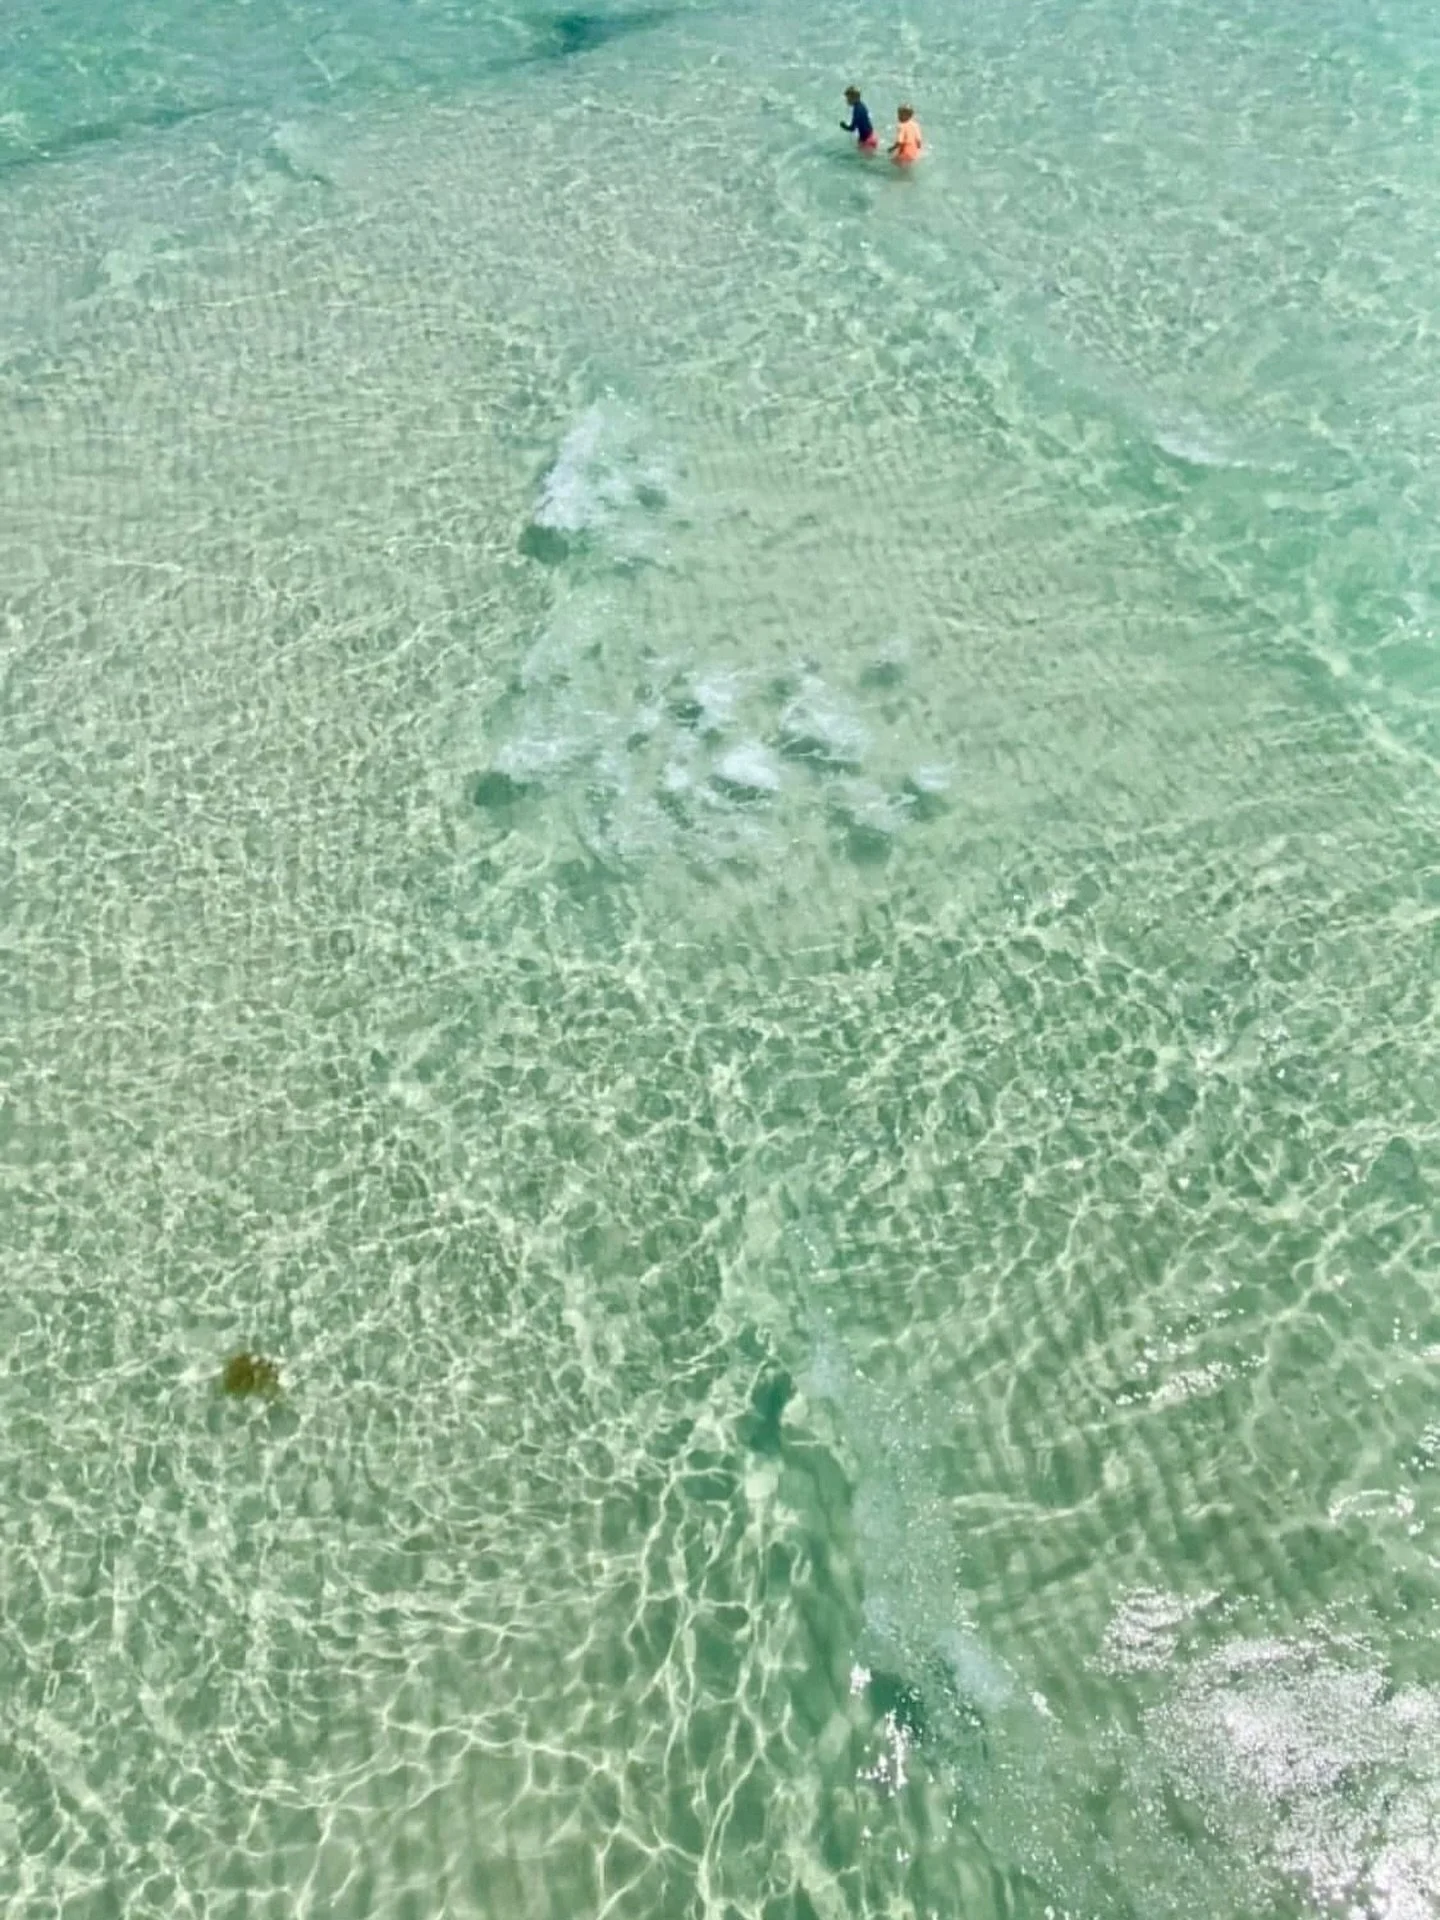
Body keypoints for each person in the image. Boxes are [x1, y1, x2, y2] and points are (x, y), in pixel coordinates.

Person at [840, 85, 878, 153]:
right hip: (872, 135)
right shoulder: (862, 105)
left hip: (867, 141)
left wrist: (844, 126)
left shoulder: (857, 110)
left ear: (854, 98)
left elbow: (852, 128)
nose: (847, 100)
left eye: (848, 98)